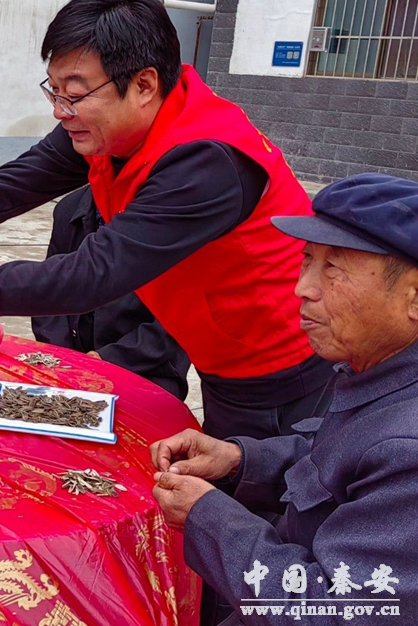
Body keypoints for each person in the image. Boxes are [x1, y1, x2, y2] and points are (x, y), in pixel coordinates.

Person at [0, 0, 332, 440]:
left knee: (264, 507)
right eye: (54, 90)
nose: (60, 110)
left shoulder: (207, 160)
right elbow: (10, 185)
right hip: (220, 357)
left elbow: (91, 274)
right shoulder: (107, 129)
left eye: (74, 93)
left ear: (143, 84)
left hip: (281, 375)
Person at [150, 173, 418, 626]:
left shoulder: (408, 450)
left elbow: (334, 615)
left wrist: (209, 517)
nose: (303, 289)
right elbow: (338, 458)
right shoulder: (378, 370)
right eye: (307, 261)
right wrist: (238, 459)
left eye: (334, 268)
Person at [32, 185, 190, 398]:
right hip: (74, 361)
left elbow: (180, 321)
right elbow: (50, 293)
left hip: (148, 365)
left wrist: (105, 359)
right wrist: (65, 357)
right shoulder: (70, 208)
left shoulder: (177, 215)